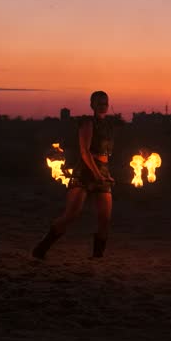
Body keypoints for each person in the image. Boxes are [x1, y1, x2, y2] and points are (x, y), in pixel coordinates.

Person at [33, 90, 116, 260]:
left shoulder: (108, 125)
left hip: (103, 171)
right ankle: (42, 248)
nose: (103, 106)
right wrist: (96, 174)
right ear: (92, 105)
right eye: (100, 103)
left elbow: (105, 155)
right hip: (85, 171)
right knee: (71, 214)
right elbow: (85, 152)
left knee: (105, 218)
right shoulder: (87, 123)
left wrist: (105, 174)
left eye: (106, 103)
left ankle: (97, 257)